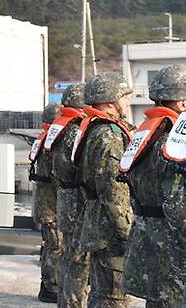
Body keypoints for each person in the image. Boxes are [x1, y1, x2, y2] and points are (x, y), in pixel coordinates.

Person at [119, 65, 186, 307]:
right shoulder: (177, 143)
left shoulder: (145, 135)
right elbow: (178, 207)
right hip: (174, 253)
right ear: (181, 103)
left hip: (147, 243)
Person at [72, 72, 134, 308]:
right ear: (110, 102)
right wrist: (128, 232)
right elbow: (113, 194)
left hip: (98, 223)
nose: (128, 103)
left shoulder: (94, 129)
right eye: (125, 98)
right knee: (112, 298)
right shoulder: (109, 136)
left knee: (102, 294)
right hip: (109, 231)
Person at [44, 83, 89, 307]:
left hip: (64, 199)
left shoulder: (61, 128)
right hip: (75, 203)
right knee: (77, 261)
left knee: (68, 256)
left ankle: (64, 300)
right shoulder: (76, 131)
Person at [28, 103, 63, 303]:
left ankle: (48, 283)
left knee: (50, 245)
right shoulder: (53, 142)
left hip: (44, 202)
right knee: (56, 246)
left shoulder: (43, 139)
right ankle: (51, 287)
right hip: (51, 204)